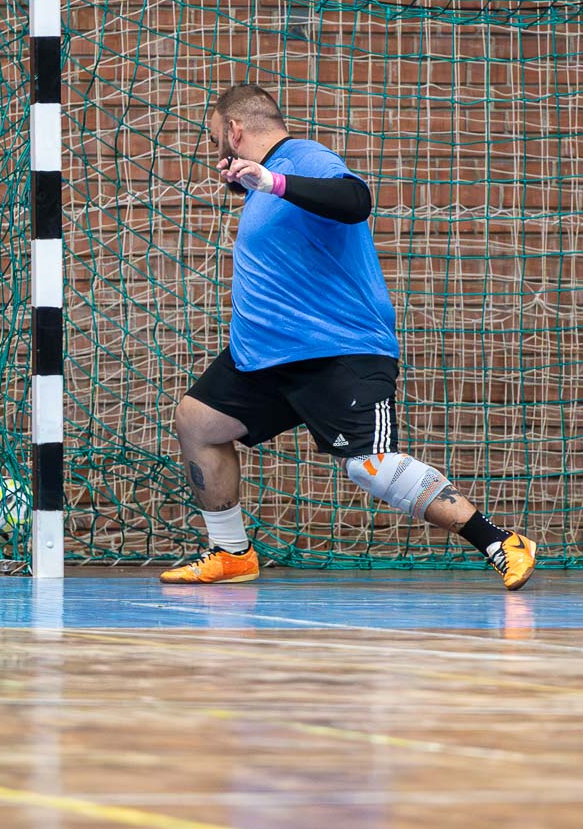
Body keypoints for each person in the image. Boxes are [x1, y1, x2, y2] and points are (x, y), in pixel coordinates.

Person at [164, 83, 537, 589]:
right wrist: (256, 183)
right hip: (265, 357)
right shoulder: (264, 187)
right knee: (197, 421)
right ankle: (231, 553)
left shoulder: (301, 158)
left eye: (216, 142)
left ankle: (499, 541)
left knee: (370, 467)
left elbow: (355, 200)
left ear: (234, 131)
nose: (218, 156)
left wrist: (271, 179)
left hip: (337, 351)